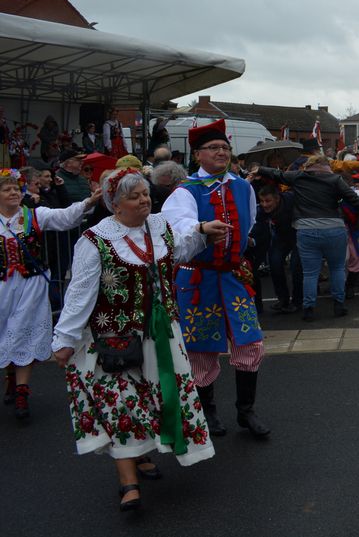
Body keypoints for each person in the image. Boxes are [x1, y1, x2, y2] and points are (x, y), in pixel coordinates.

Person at [52, 169, 215, 510]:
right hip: (114, 338)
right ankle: (128, 483)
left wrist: (203, 232)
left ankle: (142, 455)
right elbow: (79, 293)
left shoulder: (160, 227)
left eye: (145, 193)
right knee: (121, 405)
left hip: (162, 335)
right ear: (115, 205)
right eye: (134, 196)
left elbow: (180, 250)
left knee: (158, 401)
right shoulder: (95, 241)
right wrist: (64, 339)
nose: (144, 200)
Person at [161, 120, 270, 438]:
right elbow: (176, 234)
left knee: (249, 341)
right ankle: (206, 411)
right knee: (200, 348)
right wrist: (201, 231)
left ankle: (245, 411)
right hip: (199, 279)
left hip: (234, 276)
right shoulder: (185, 192)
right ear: (197, 155)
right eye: (214, 148)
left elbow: (248, 224)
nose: (221, 152)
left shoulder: (242, 186)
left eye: (225, 147)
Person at [1, 168, 100, 419]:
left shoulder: (34, 215)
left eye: (16, 188)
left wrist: (89, 201)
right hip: (2, 287)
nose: (13, 192)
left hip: (30, 286)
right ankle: (11, 378)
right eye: (6, 189)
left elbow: (66, 217)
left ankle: (22, 390)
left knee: (26, 330)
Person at [254, 153, 359, 320]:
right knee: (337, 269)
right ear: (326, 167)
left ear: (308, 166)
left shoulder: (299, 177)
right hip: (334, 228)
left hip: (306, 229)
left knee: (310, 273)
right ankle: (339, 305)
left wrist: (259, 169)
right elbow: (352, 198)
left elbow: (276, 174)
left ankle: (308, 309)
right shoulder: (335, 180)